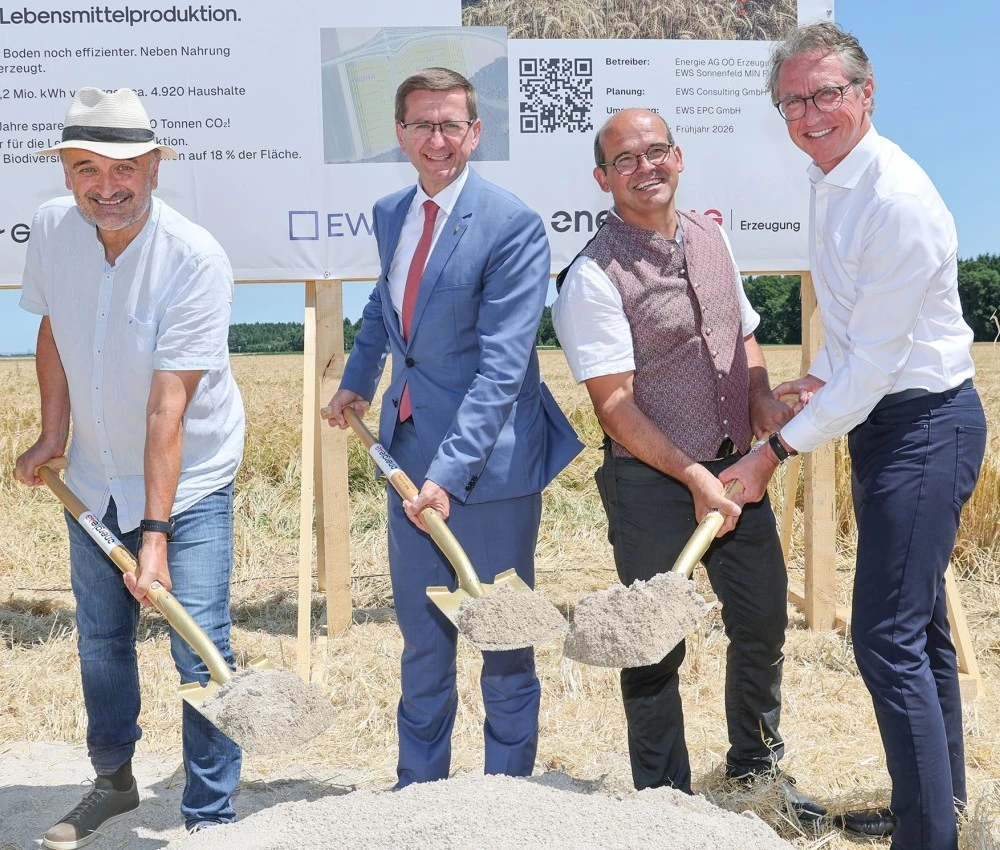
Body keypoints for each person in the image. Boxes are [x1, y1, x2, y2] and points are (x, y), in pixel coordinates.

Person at [721, 23, 987, 850]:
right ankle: (933, 812)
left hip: (926, 426)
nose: (810, 112)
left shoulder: (894, 198)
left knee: (883, 636)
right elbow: (855, 329)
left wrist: (776, 449)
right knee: (921, 631)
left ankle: (927, 838)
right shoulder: (829, 176)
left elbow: (876, 368)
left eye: (827, 93)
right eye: (794, 99)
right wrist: (816, 377)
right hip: (886, 420)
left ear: (866, 95)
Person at [551, 107, 824, 822]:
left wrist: (761, 397)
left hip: (739, 472)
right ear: (602, 178)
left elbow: (747, 337)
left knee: (762, 624)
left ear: (679, 156)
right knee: (652, 650)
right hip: (652, 485)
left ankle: (754, 771)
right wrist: (692, 476)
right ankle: (663, 805)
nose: (646, 168)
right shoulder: (591, 276)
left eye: (656, 151)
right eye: (626, 159)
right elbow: (615, 408)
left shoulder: (712, 237)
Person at [323, 68, 582, 788]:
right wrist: (357, 382)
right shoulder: (389, 212)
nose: (436, 140)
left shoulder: (512, 225)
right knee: (424, 645)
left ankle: (506, 799)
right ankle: (419, 794)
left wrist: (447, 474)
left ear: (475, 133)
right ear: (399, 136)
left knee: (503, 643)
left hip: (488, 469)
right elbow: (384, 307)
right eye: (420, 125)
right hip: (405, 454)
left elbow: (503, 369)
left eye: (451, 125)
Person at [13, 87, 245, 846]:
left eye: (122, 170)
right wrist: (54, 433)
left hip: (190, 479)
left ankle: (209, 815)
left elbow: (166, 409)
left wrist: (155, 535)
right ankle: (112, 780)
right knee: (101, 640)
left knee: (198, 639)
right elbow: (53, 328)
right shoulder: (51, 229)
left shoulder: (194, 258)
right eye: (86, 170)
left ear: (153, 167)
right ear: (67, 174)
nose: (105, 188)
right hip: (89, 474)